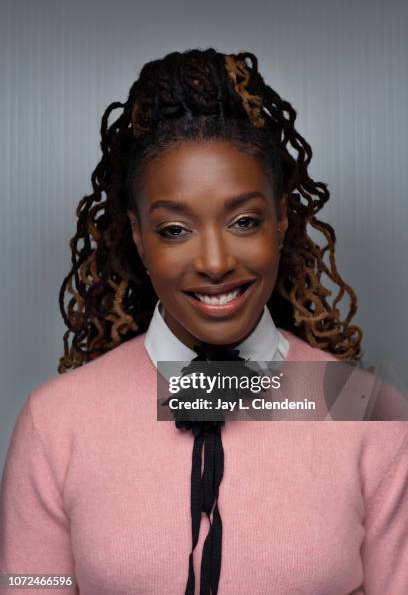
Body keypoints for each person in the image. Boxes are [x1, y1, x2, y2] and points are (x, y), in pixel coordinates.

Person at [0, 48, 407, 595]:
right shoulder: (56, 424)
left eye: (244, 220)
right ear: (139, 236)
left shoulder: (367, 412)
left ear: (282, 220)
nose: (215, 262)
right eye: (174, 229)